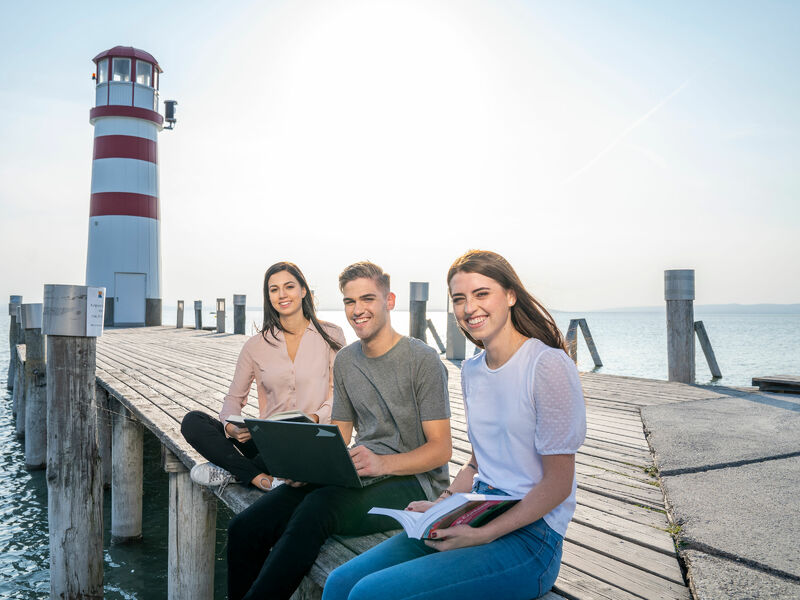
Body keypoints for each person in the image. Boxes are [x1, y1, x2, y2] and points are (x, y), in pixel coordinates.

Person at [323, 250, 587, 600]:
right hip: (475, 511)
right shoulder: (473, 370)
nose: (469, 308)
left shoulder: (546, 365)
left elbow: (558, 483)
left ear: (510, 295)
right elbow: (478, 462)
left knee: (368, 594)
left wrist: (484, 534)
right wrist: (441, 504)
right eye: (459, 299)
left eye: (482, 294)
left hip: (532, 538)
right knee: (339, 583)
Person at [226, 261, 452, 600]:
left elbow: (441, 450)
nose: (357, 310)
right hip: (360, 470)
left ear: (389, 301)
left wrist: (382, 464)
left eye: (367, 299)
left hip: (415, 483)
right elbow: (340, 435)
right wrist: (309, 468)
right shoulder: (346, 360)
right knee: (245, 527)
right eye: (349, 301)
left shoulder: (423, 359)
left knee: (318, 509)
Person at [181, 261, 345, 491]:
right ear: (268, 296)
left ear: (303, 290)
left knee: (291, 459)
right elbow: (233, 399)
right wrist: (231, 427)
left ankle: (236, 472)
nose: (282, 295)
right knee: (193, 422)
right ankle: (263, 480)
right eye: (274, 289)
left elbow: (340, 394)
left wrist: (315, 417)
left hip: (314, 440)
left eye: (289, 286)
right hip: (272, 444)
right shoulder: (255, 345)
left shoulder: (331, 335)